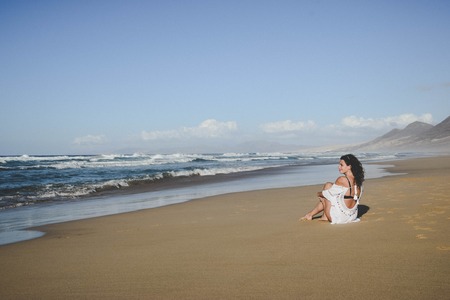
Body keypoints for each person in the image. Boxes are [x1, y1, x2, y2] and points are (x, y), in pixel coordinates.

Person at [300, 154, 365, 224]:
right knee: (329, 187)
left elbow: (327, 194)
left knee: (326, 189)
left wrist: (319, 194)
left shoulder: (342, 180)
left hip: (338, 218)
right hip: (352, 217)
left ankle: (315, 215)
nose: (339, 167)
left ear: (349, 167)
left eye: (341, 165)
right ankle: (312, 215)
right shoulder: (359, 182)